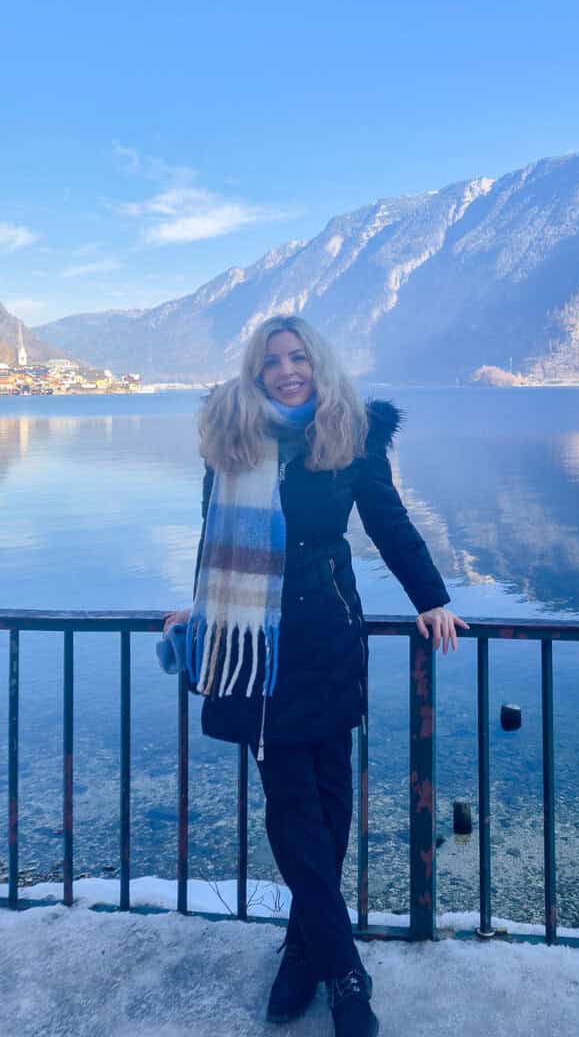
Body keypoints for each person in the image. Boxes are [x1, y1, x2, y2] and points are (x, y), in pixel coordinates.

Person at [162, 314, 469, 1037]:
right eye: (273, 362)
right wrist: (204, 604)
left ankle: (303, 948)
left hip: (328, 637)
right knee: (293, 805)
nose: (287, 371)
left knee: (331, 802)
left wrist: (433, 600)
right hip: (257, 645)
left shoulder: (351, 433)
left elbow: (390, 523)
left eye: (298, 358)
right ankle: (347, 975)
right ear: (256, 371)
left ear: (318, 363)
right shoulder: (233, 435)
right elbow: (215, 531)